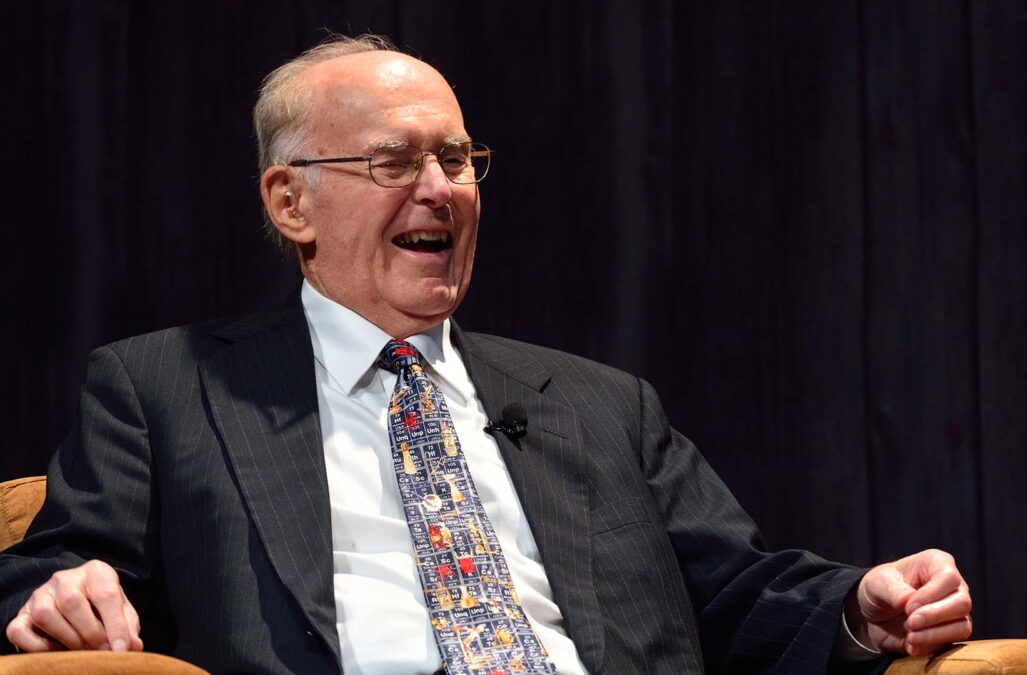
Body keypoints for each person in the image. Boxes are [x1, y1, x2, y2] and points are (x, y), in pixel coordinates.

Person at [0, 34, 971, 674]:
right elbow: (52, 570)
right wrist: (60, 597)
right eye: (394, 162)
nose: (442, 190)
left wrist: (861, 605)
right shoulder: (164, 388)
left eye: (459, 160)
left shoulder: (601, 404)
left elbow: (739, 591)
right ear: (290, 201)